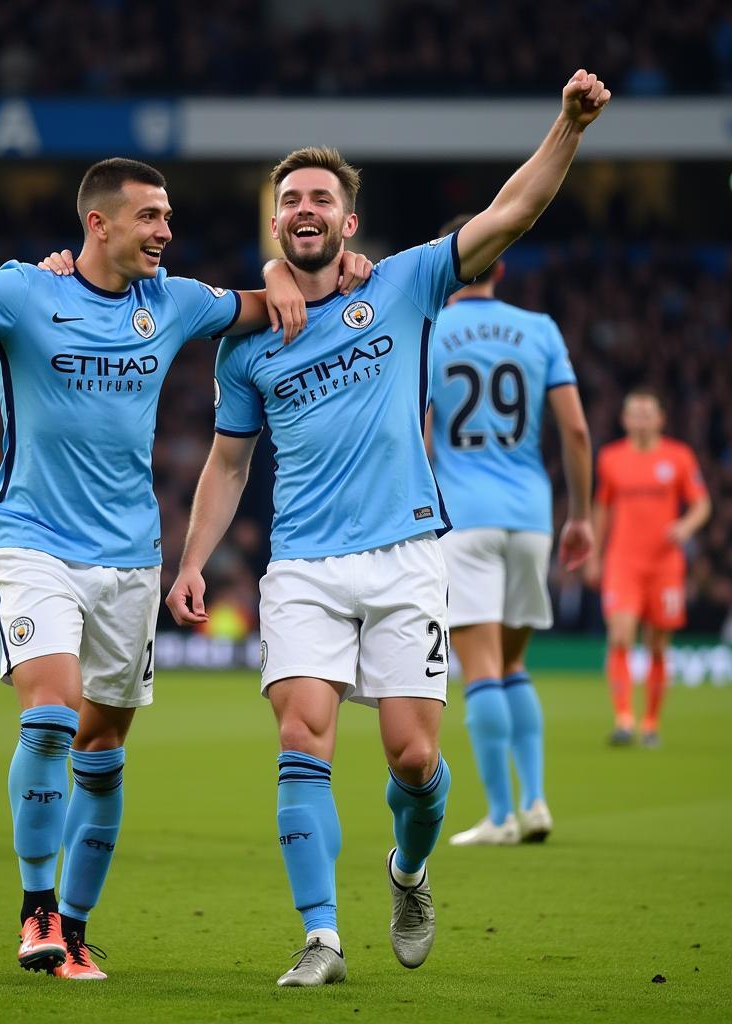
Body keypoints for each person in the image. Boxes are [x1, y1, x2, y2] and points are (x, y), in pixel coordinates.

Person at [0, 157, 370, 981]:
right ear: (98, 224)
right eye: (150, 217)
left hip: (130, 560)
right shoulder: (20, 293)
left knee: (104, 748)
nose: (166, 231)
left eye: (169, 217)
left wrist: (293, 267)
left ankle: (74, 929)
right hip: (34, 540)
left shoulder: (175, 302)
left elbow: (289, 297)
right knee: (50, 712)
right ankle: (36, 909)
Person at [166, 69, 610, 987]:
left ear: (349, 222)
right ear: (276, 222)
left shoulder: (407, 284)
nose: (304, 208)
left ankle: (408, 871)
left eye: (321, 197)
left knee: (414, 758)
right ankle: (321, 937)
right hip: (302, 567)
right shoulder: (246, 342)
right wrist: (194, 559)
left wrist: (566, 127)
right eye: (289, 199)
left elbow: (510, 214)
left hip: (409, 554)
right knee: (303, 740)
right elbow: (230, 461)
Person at [425, 220, 593, 846]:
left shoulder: (432, 329)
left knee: (483, 669)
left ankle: (499, 817)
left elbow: (422, 426)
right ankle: (538, 800)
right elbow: (575, 432)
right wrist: (581, 514)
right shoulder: (540, 329)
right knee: (516, 662)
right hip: (531, 516)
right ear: (499, 266)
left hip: (462, 515)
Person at [585, 387, 710, 747]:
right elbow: (602, 508)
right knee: (621, 636)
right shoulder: (610, 458)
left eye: (646, 412)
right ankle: (624, 718)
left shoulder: (679, 457)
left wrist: (686, 526)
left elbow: (702, 505)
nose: (640, 419)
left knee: (657, 645)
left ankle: (651, 723)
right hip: (623, 561)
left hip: (664, 565)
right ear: (624, 419)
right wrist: (595, 555)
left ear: (660, 418)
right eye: (633, 413)